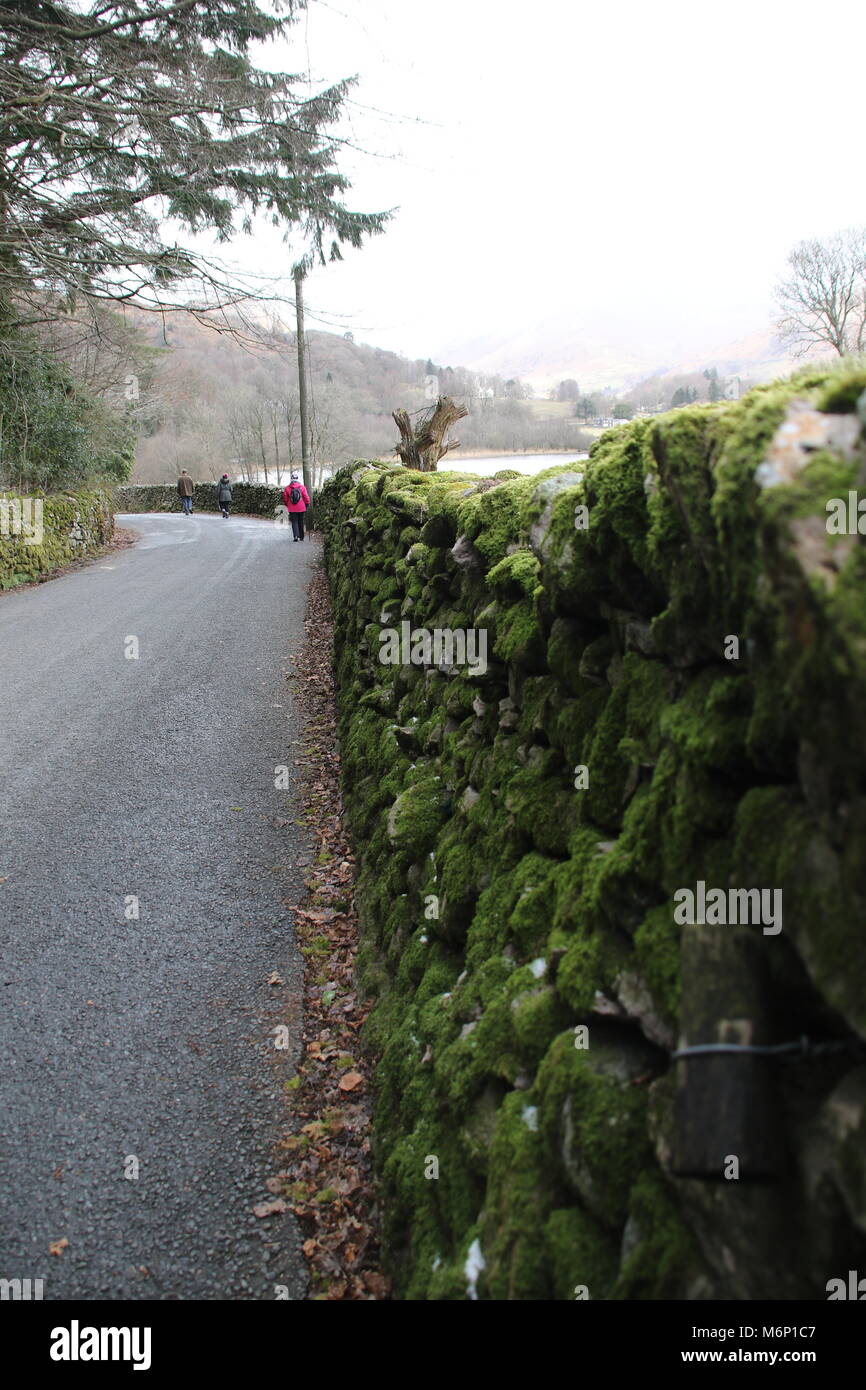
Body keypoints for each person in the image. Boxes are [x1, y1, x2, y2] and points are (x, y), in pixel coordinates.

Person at [282, 471, 311, 541]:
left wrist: (287, 504)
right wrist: (307, 503)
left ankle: (295, 536)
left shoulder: (287, 488)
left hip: (292, 508)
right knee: (301, 521)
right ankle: (301, 537)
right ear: (298, 479)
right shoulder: (302, 487)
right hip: (301, 507)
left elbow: (285, 498)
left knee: (294, 521)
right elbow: (306, 497)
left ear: (291, 479)